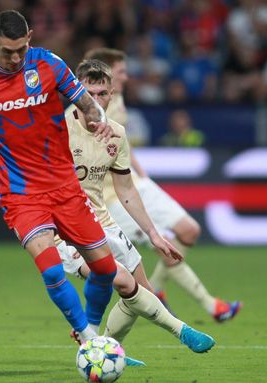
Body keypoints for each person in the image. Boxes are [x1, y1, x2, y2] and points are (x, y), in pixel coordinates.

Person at [0, 11, 213, 356]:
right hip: (20, 192)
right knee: (51, 266)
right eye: (7, 51)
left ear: (31, 38)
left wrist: (95, 116)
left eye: (21, 50)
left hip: (65, 188)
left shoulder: (48, 65)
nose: (15, 59)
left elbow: (84, 100)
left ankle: (95, 329)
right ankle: (89, 340)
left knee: (104, 269)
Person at [58, 59, 215, 353]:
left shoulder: (115, 132)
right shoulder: (58, 130)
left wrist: (154, 235)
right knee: (119, 278)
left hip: (101, 221)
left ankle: (105, 349)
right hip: (64, 226)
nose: (95, 100)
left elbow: (126, 189)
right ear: (75, 92)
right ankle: (181, 330)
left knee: (144, 293)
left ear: (112, 94)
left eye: (102, 93)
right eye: (88, 93)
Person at [85, 47, 241, 322]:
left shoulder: (117, 102)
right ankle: (210, 305)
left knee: (189, 230)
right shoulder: (87, 110)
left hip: (134, 182)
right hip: (112, 197)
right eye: (121, 71)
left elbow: (121, 143)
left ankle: (157, 288)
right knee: (163, 245)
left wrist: (140, 172)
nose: (127, 76)